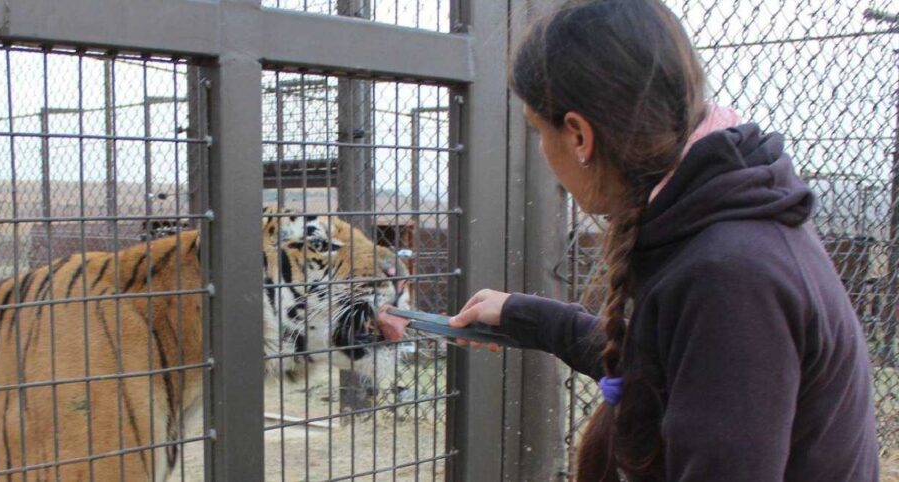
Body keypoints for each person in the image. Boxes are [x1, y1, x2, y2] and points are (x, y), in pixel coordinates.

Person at [376, 0, 880, 480]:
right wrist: (527, 317)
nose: (544, 151)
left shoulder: (728, 275)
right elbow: (670, 367)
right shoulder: (717, 223)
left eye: (537, 131)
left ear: (578, 135)